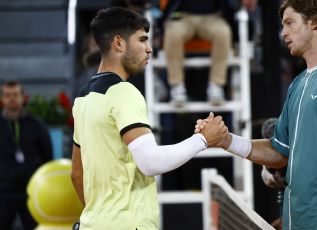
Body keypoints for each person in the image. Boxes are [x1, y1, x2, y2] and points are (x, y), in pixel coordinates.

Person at [196, 1, 317, 229]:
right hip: (296, 222)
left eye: (290, 23)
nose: (283, 32)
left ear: (314, 21)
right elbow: (278, 152)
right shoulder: (297, 84)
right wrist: (226, 141)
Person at [71, 7, 227, 230]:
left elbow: (77, 174)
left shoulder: (83, 97)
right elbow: (150, 162)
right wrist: (203, 140)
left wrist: (101, 218)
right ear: (119, 43)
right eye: (142, 40)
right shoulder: (123, 92)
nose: (149, 49)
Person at [0, 81, 53, 230]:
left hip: (31, 190)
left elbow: (47, 157)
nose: (11, 99)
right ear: (2, 98)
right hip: (3, 191)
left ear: (23, 97)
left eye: (15, 95)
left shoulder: (36, 125)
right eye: (8, 95)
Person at [162, 0, 232, 106]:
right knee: (173, 34)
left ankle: (216, 86)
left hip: (212, 16)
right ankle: (177, 86)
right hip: (182, 16)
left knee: (223, 33)